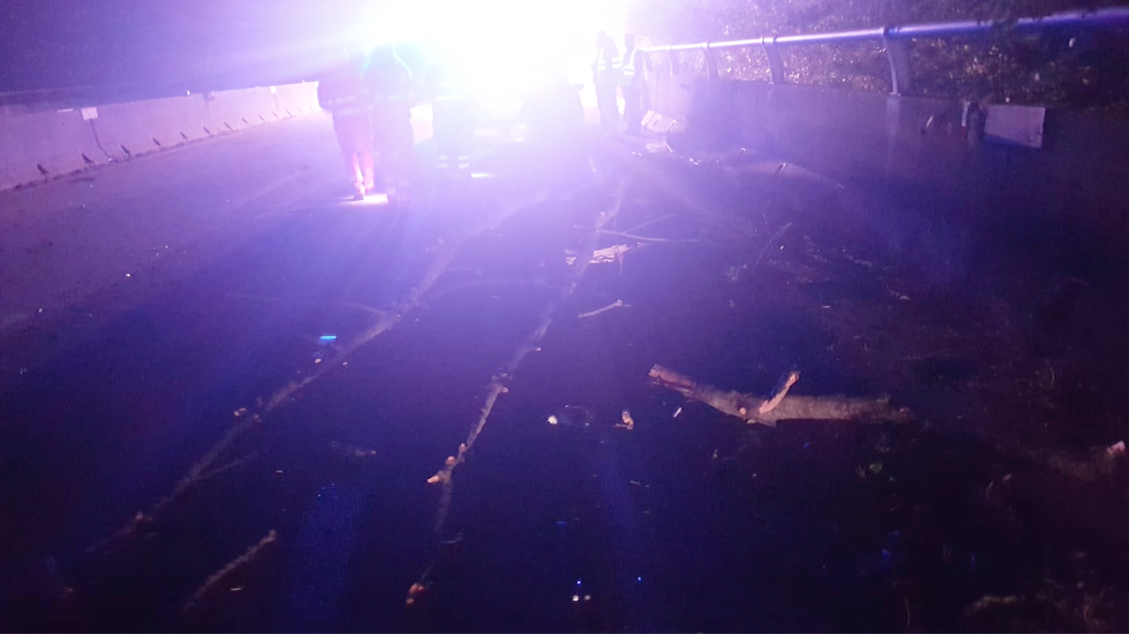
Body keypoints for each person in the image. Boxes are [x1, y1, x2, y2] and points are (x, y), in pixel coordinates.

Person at [364, 45, 417, 208]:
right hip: (400, 120)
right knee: (403, 155)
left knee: (386, 156)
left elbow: (366, 98)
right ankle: (405, 192)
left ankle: (391, 193)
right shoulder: (401, 68)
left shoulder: (370, 72)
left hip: (381, 122)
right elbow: (413, 95)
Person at [318, 54, 374, 200]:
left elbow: (322, 100)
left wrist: (335, 109)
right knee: (366, 150)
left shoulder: (328, 76)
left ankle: (358, 187)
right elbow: (369, 92)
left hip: (341, 121)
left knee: (349, 153)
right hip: (360, 118)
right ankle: (369, 181)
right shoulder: (356, 70)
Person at [424, 61, 476, 181]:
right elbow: (473, 90)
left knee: (444, 143)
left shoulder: (434, 68)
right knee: (461, 142)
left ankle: (444, 171)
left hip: (442, 113)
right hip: (461, 113)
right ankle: (463, 171)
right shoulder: (463, 67)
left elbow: (427, 88)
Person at [620, 33, 652, 136]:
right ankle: (631, 128)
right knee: (630, 107)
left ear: (632, 41)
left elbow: (638, 69)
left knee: (635, 107)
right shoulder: (626, 53)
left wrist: (632, 83)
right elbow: (623, 69)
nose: (626, 42)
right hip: (626, 85)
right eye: (625, 40)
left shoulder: (637, 52)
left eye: (628, 40)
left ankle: (636, 129)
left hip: (633, 86)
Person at [591, 30, 620, 135]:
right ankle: (610, 128)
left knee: (609, 106)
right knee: (606, 105)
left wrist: (609, 82)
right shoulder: (604, 50)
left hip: (606, 84)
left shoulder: (607, 49)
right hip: (604, 83)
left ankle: (613, 130)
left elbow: (609, 68)